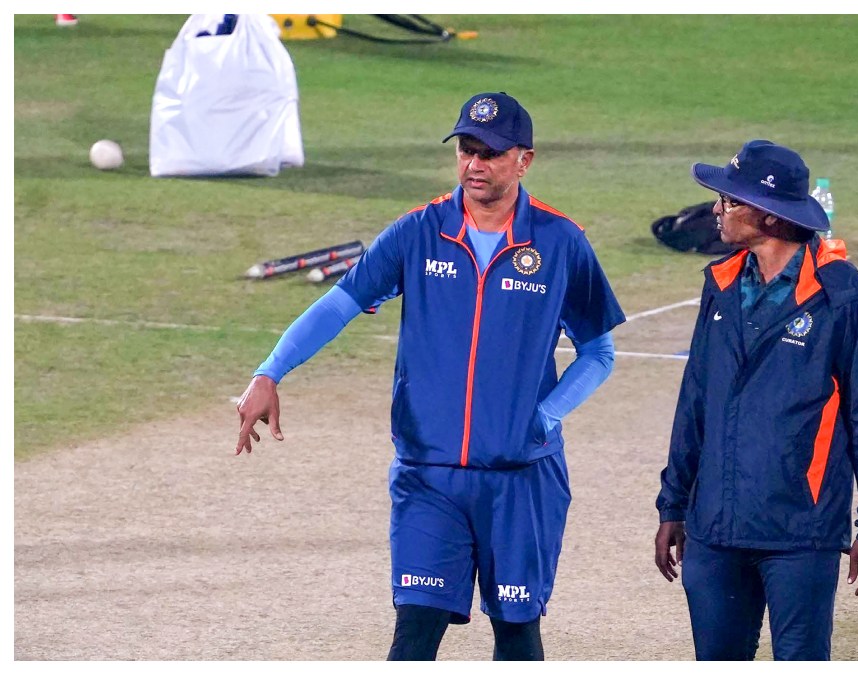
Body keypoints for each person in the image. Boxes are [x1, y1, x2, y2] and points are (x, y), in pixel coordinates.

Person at [235, 92, 626, 661]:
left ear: (525, 160)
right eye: (467, 150)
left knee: (517, 636)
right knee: (414, 635)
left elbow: (599, 352)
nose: (475, 164)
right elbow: (340, 304)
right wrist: (270, 371)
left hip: (521, 481)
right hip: (428, 476)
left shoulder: (560, 241)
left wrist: (544, 417)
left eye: (491, 153)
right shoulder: (418, 232)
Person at [653, 140, 858, 661]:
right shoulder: (721, 284)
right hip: (715, 528)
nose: (716, 209)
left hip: (800, 532)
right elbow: (695, 399)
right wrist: (673, 503)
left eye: (730, 200)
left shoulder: (842, 293)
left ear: (768, 215)